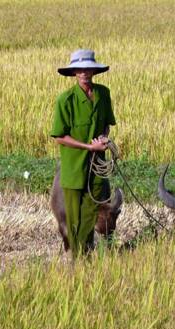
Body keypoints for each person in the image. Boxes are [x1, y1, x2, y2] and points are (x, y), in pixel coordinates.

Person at [50, 49, 117, 257]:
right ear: (74, 73)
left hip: (97, 166)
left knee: (92, 214)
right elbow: (60, 136)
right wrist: (89, 147)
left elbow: (106, 124)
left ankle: (86, 255)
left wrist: (104, 138)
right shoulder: (65, 100)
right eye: (79, 69)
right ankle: (76, 258)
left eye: (88, 69)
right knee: (73, 219)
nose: (84, 73)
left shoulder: (103, 94)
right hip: (73, 167)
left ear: (94, 71)